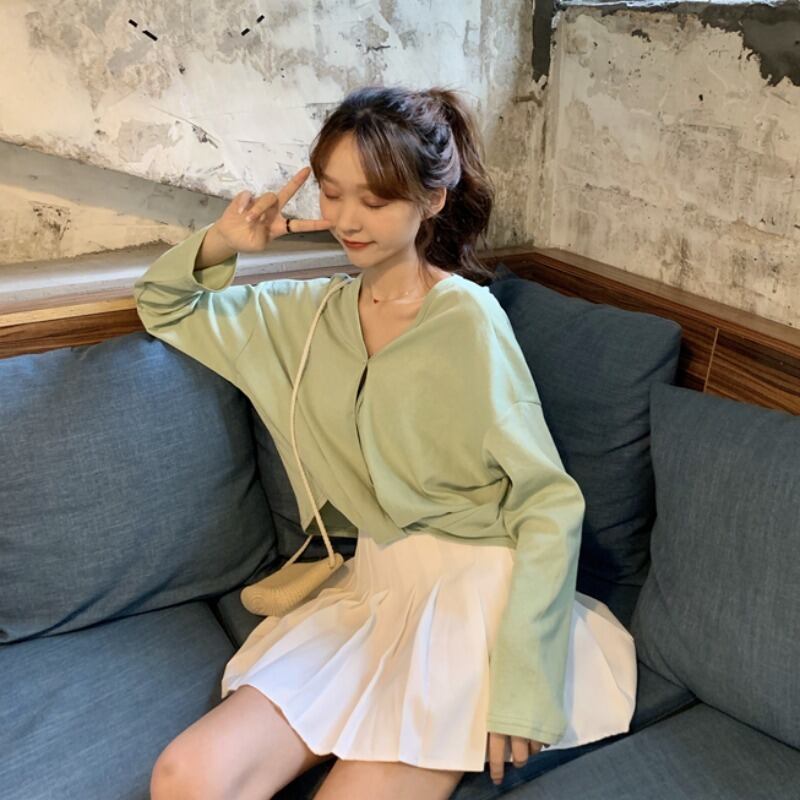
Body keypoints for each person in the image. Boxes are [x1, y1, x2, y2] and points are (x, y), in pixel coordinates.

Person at [137, 84, 637, 800]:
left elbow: (548, 503)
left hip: (475, 603)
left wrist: (523, 681)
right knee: (185, 775)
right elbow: (164, 304)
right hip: (373, 590)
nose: (346, 220)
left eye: (373, 200)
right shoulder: (304, 316)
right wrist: (225, 242)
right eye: (333, 193)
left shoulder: (467, 322)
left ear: (432, 200)